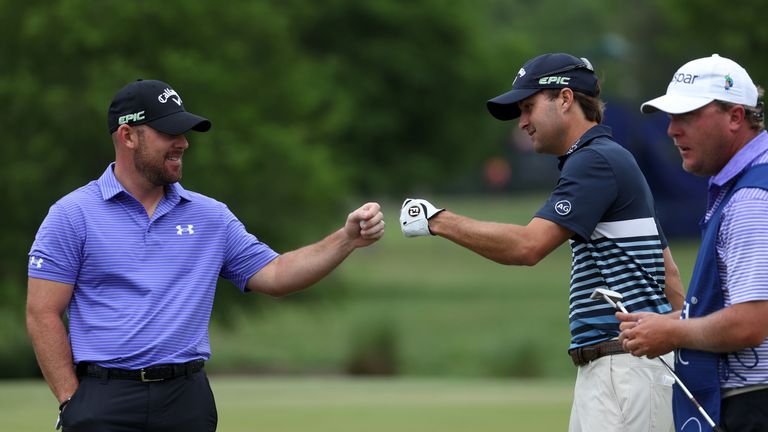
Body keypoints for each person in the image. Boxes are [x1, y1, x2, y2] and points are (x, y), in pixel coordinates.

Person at [26, 79, 385, 432]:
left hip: (186, 401)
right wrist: (71, 401)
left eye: (184, 133)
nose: (182, 143)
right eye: (169, 133)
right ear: (128, 136)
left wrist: (345, 239)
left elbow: (276, 274)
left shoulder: (210, 216)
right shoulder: (72, 215)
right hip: (104, 399)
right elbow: (42, 311)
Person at [399, 53, 684, 432]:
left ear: (565, 99)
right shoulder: (611, 159)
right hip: (622, 371)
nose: (523, 123)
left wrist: (436, 220)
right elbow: (671, 280)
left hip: (622, 371)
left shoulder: (595, 160)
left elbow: (527, 247)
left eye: (529, 107)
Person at [618, 54, 768, 432]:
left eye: (687, 116)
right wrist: (669, 322)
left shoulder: (752, 199)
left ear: (736, 117)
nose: (671, 130)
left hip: (755, 404)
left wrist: (672, 332)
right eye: (671, 117)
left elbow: (750, 323)